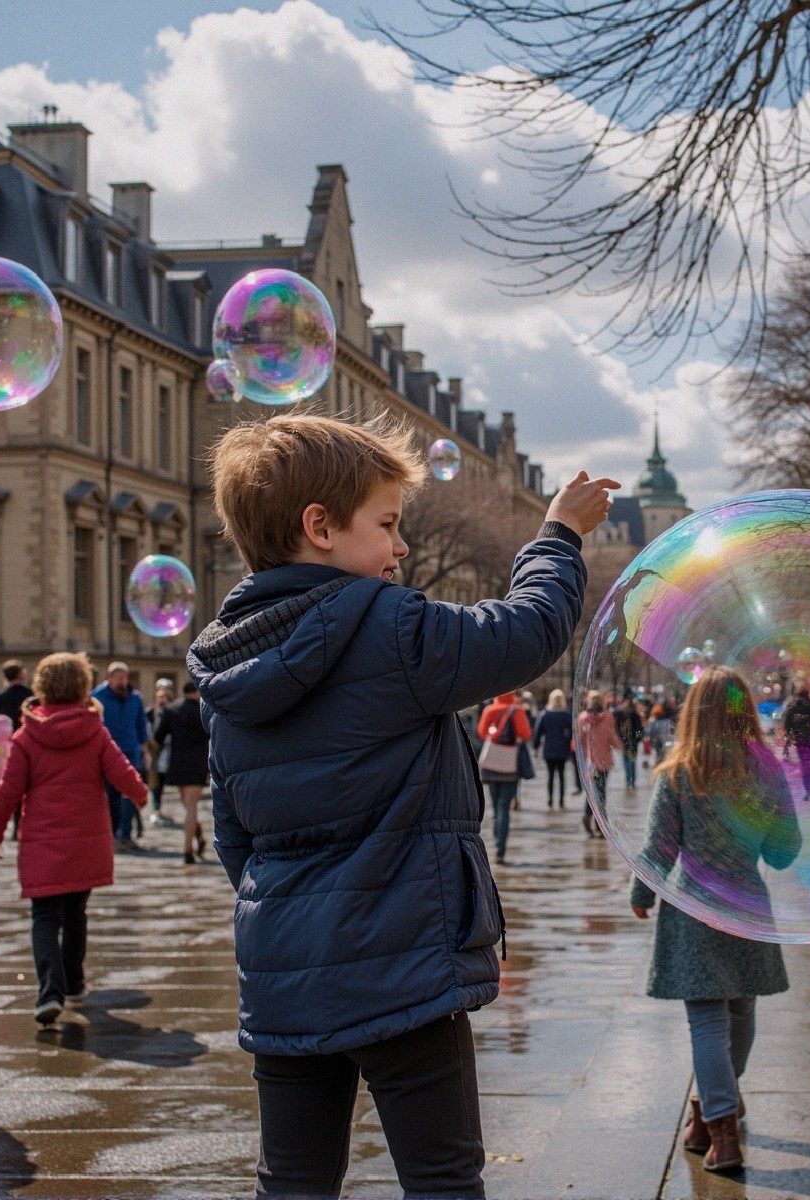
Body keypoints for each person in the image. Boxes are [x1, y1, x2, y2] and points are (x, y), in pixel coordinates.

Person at [186, 412, 613, 1199]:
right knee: (442, 1178)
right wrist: (556, 536)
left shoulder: (227, 656)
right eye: (387, 524)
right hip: (407, 960)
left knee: (292, 1182)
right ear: (320, 528)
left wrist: (292, 909)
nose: (403, 547)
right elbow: (526, 631)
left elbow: (235, 839)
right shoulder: (389, 625)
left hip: (284, 965)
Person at [630, 667, 801, 1175]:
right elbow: (785, 850)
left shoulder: (679, 772)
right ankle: (716, 1111)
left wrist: (641, 891)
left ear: (693, 715)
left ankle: (720, 1129)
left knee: (707, 1020)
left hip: (694, 905)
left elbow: (659, 848)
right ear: (745, 711)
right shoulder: (766, 770)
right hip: (746, 901)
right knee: (741, 1011)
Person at [0, 652, 148, 1023]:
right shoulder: (94, 730)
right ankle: (73, 982)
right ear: (81, 686)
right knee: (76, 913)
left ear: (41, 686)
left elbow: (8, 791)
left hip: (42, 841)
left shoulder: (27, 736)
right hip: (86, 841)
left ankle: (49, 992)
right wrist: (139, 793)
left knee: (44, 916)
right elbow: (121, 770)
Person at [91, 662, 148, 851]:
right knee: (111, 797)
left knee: (131, 794)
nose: (122, 681)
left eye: (125, 677)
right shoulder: (97, 697)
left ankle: (126, 833)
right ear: (109, 678)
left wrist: (145, 749)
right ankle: (113, 833)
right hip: (106, 754)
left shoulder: (135, 698)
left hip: (131, 752)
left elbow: (142, 725)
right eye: (118, 677)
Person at [154, 681, 212, 862]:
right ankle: (189, 848)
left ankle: (191, 845)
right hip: (198, 763)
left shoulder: (172, 710)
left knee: (188, 806)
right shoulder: (203, 711)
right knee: (191, 806)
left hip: (177, 763)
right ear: (197, 692)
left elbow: (159, 737)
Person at [478, 692, 533, 861]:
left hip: (491, 763)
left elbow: (481, 733)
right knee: (504, 807)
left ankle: (496, 841)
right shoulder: (517, 711)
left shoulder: (489, 709)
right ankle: (501, 847)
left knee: (495, 807)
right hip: (510, 765)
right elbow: (526, 734)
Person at [576, 690, 623, 837]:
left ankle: (590, 817)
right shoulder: (607, 716)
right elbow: (611, 736)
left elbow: (581, 739)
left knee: (594, 791)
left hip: (591, 761)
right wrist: (620, 746)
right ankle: (600, 824)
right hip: (604, 760)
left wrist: (586, 751)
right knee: (601, 792)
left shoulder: (583, 718)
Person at [532, 689, 576, 809]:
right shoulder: (566, 715)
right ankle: (561, 800)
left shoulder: (545, 714)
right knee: (562, 776)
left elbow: (537, 731)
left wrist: (535, 746)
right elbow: (572, 732)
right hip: (562, 748)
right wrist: (569, 744)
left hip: (549, 748)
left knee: (550, 776)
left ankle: (550, 799)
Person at [781, 687, 810, 800]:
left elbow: (787, 725)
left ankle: (807, 790)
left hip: (800, 741)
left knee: (804, 765)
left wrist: (789, 739)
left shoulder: (793, 708)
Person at [145, 678, 176, 828]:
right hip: (154, 751)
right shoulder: (150, 713)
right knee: (154, 782)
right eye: (160, 697)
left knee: (163, 783)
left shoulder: (172, 712)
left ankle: (160, 810)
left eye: (165, 697)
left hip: (169, 751)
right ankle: (156, 810)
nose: (162, 700)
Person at [614, 692, 644, 791]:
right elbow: (640, 729)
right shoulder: (635, 714)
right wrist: (638, 739)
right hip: (633, 742)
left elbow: (617, 728)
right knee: (633, 761)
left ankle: (628, 781)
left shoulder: (621, 713)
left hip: (625, 741)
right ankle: (633, 781)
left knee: (626, 761)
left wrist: (619, 739)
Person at [0, 659, 34, 730]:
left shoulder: (1, 697)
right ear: (20, 674)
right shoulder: (30, 694)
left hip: (8, 735)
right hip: (27, 734)